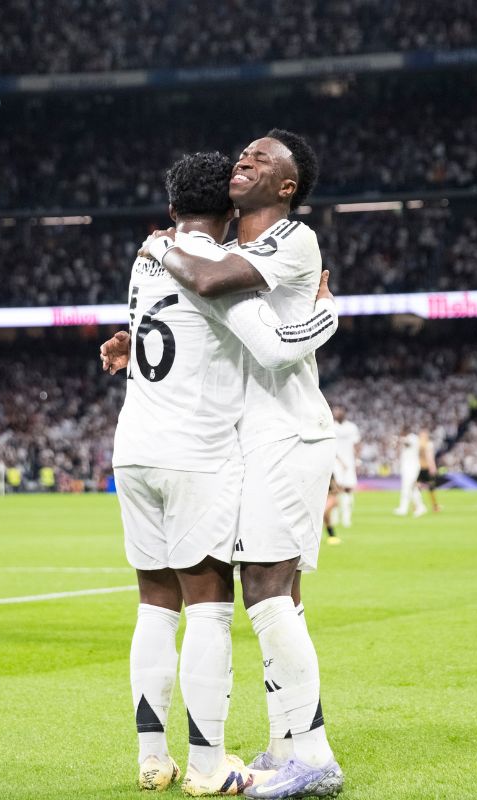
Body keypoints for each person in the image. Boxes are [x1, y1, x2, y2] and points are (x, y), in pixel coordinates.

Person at [104, 151, 339, 796]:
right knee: (225, 606)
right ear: (228, 211)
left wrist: (155, 264)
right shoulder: (212, 263)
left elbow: (180, 317)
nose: (246, 160)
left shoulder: (153, 259)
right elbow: (260, 334)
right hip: (200, 452)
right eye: (241, 158)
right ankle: (220, 762)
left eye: (260, 157)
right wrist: (329, 313)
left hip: (142, 445)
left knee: (168, 603)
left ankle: (160, 757)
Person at [331, 405, 360, 529]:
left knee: (348, 489)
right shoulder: (331, 426)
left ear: (344, 412)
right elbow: (330, 446)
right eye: (335, 411)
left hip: (349, 463)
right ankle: (334, 517)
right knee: (335, 491)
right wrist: (338, 460)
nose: (336, 413)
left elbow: (356, 444)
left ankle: (346, 518)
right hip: (335, 463)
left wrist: (357, 460)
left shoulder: (351, 427)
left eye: (339, 411)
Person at [394, 432, 426, 518]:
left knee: (407, 487)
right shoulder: (408, 438)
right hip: (408, 467)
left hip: (412, 467)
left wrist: (399, 439)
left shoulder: (413, 437)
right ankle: (419, 507)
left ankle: (405, 508)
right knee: (412, 488)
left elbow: (408, 443)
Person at [417, 429, 441, 513]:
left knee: (419, 488)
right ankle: (434, 506)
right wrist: (433, 468)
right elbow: (430, 457)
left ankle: (417, 506)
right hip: (424, 468)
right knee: (429, 488)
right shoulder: (428, 444)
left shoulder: (419, 444)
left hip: (420, 468)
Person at [321, 477, 341, 545]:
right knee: (325, 517)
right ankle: (332, 535)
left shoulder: (330, 474)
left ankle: (332, 535)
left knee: (324, 514)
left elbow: (335, 488)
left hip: (330, 495)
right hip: (322, 496)